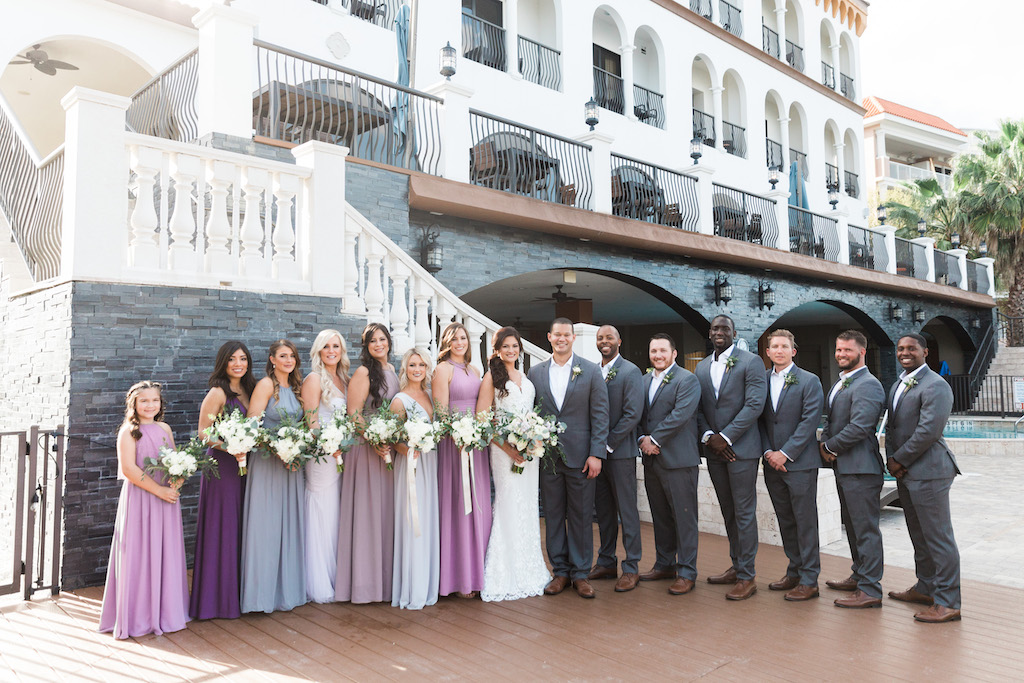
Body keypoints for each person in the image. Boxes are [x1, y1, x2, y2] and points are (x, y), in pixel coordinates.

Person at [99, 381, 189, 639]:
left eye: (155, 400)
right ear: (134, 404)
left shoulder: (164, 428)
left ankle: (167, 612)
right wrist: (157, 490)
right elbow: (129, 469)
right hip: (142, 498)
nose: (150, 405)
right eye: (144, 401)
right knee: (139, 553)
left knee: (165, 551)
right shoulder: (128, 432)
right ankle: (138, 616)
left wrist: (177, 479)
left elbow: (174, 459)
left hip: (167, 498)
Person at [528, 318, 609, 599]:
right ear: (549, 337)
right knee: (552, 516)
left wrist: (596, 453)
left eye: (566, 335)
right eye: (557, 335)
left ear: (573, 338)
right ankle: (560, 572)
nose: (561, 339)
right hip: (548, 457)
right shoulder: (535, 373)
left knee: (581, 516)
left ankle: (580, 574)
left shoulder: (590, 371)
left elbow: (600, 415)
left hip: (581, 456)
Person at [884, 333, 961, 623]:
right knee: (919, 535)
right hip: (906, 471)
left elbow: (928, 431)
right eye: (901, 348)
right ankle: (926, 587)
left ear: (925, 352)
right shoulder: (898, 383)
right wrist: (895, 462)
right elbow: (892, 427)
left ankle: (949, 601)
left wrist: (898, 459)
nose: (905, 352)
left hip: (930, 471)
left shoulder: (936, 385)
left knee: (939, 538)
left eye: (911, 348)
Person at [695, 315, 767, 600]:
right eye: (715, 328)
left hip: (742, 451)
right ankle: (737, 565)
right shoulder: (701, 367)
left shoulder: (751, 362)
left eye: (725, 328)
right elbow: (698, 408)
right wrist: (708, 437)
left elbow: (754, 404)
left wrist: (726, 437)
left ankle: (748, 576)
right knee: (728, 510)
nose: (719, 332)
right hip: (714, 450)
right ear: (709, 333)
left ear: (734, 333)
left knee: (744, 512)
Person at [477, 327, 551, 601]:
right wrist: (508, 447)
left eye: (515, 346)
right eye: (505, 346)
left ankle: (530, 567)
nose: (511, 350)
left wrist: (533, 438)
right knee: (509, 504)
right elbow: (482, 419)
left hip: (529, 452)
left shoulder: (525, 377)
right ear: (496, 350)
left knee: (528, 506)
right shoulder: (491, 378)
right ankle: (503, 570)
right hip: (504, 452)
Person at [819, 330, 886, 609]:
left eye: (847, 350)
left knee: (866, 529)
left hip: (861, 468)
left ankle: (870, 589)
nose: (841, 355)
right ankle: (860, 575)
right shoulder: (843, 382)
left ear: (862, 353)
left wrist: (828, 447)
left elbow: (860, 427)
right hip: (846, 468)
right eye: (838, 349)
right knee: (855, 528)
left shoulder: (868, 384)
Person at [190, 341, 256, 620]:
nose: (238, 364)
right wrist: (229, 445)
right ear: (223, 363)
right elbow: (203, 432)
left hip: (247, 465)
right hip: (222, 467)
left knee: (243, 525)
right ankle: (215, 600)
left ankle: (241, 593)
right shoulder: (217, 392)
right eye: (232, 360)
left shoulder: (252, 391)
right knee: (224, 526)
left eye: (243, 359)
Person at [757, 330, 825, 602]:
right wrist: (767, 452)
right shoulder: (761, 380)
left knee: (805, 522)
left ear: (793, 351)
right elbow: (759, 420)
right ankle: (794, 571)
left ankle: (810, 579)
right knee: (786, 520)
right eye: (775, 346)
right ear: (768, 352)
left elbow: (810, 421)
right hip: (771, 463)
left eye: (785, 346)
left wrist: (785, 453)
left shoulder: (810, 381)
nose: (780, 350)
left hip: (799, 464)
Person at [241, 340, 307, 613]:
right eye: (283, 356)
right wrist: (278, 449)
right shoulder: (267, 386)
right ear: (272, 359)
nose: (288, 360)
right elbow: (252, 425)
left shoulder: (297, 388)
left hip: (291, 465)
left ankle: (286, 591)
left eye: (292, 356)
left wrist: (295, 450)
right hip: (268, 462)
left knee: (288, 524)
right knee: (265, 526)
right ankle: (260, 596)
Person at [336, 322, 399, 604]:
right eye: (372, 341)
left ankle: (386, 581)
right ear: (366, 346)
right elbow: (354, 414)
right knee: (368, 514)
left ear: (389, 342)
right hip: (366, 449)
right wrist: (373, 439)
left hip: (389, 448)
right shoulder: (363, 372)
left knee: (386, 514)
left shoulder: (394, 371)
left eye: (382, 339)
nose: (378, 344)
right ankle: (365, 584)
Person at [636, 334, 702, 596]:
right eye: (654, 351)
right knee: (660, 516)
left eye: (663, 350)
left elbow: (681, 415)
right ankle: (665, 564)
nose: (658, 355)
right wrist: (642, 438)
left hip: (679, 461)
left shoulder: (688, 380)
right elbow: (637, 414)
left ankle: (687, 571)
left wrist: (655, 439)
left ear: (674, 353)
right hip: (651, 459)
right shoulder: (643, 381)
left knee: (684, 518)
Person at [432, 322, 490, 599]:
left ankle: (477, 573)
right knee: (458, 504)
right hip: (454, 446)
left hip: (476, 445)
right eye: (454, 339)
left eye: (463, 338)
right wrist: (458, 435)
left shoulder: (475, 370)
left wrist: (476, 434)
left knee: (479, 503)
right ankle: (458, 577)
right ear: (446, 342)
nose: (460, 343)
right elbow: (441, 414)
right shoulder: (442, 370)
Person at [588, 325, 644, 592]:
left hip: (620, 453)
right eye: (600, 338)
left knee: (627, 510)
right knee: (604, 512)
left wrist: (606, 445)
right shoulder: (590, 370)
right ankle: (606, 560)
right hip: (596, 456)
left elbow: (632, 414)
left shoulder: (631, 372)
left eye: (609, 337)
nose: (604, 341)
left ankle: (631, 566)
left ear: (619, 341)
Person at [301, 329, 349, 603]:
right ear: (319, 351)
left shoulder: (343, 379)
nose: (332, 351)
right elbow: (311, 421)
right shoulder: (314, 379)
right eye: (327, 346)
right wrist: (329, 445)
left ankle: (337, 574)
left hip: (342, 453)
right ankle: (318, 580)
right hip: (322, 455)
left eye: (336, 346)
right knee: (323, 509)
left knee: (338, 513)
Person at [390, 348, 441, 610]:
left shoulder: (432, 396)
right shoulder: (400, 400)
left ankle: (430, 583)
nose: (417, 369)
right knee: (414, 521)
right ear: (405, 369)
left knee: (428, 519)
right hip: (411, 466)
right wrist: (412, 449)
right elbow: (392, 438)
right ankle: (414, 587)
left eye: (422, 364)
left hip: (430, 464)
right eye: (412, 365)